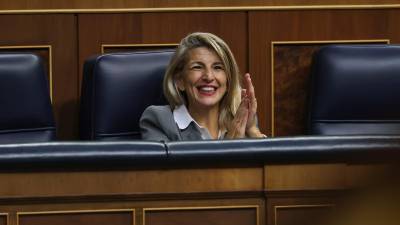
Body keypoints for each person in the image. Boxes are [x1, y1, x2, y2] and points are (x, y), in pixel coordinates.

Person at [140, 32, 266, 141]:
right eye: (197, 67)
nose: (209, 77)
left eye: (218, 67)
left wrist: (252, 130)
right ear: (180, 80)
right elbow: (171, 170)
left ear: (228, 82)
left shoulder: (241, 119)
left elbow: (267, 167)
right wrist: (230, 145)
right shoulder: (159, 121)